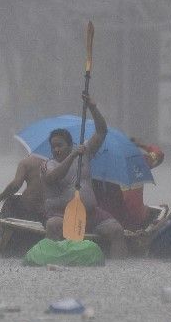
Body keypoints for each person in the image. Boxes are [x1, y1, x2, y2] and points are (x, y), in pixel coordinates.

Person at [41, 93, 127, 259]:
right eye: (53, 147)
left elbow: (101, 131)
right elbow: (53, 178)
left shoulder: (84, 153)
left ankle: (118, 271)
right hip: (60, 215)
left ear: (70, 144)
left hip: (90, 214)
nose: (55, 150)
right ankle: (52, 263)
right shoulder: (47, 165)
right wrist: (72, 156)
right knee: (53, 225)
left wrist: (93, 108)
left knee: (116, 230)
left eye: (59, 145)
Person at [94, 137, 165, 231]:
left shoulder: (99, 168)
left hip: (110, 221)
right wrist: (141, 145)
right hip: (136, 219)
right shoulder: (140, 162)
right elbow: (159, 155)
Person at [0, 154, 46, 222]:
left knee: (10, 201)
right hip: (49, 210)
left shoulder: (26, 162)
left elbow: (16, 185)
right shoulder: (58, 164)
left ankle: (3, 223)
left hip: (28, 206)